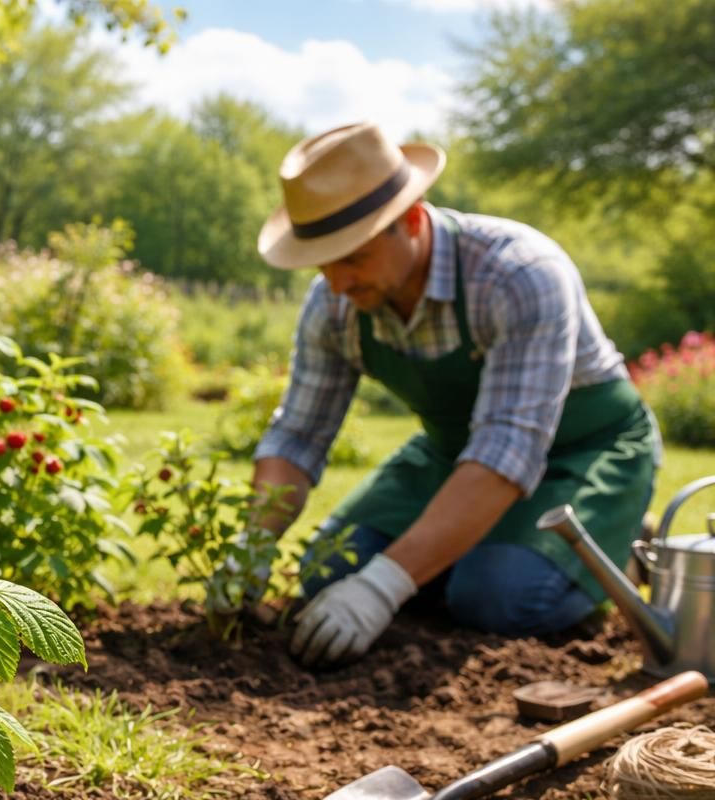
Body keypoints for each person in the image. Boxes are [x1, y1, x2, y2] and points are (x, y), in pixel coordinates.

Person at [246, 122, 658, 668]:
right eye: (322, 262)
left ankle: (617, 551)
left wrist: (383, 586)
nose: (337, 283)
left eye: (352, 257)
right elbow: (298, 435)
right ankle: (468, 556)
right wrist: (251, 549)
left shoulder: (519, 274)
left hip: (580, 451)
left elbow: (506, 449)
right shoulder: (335, 303)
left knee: (498, 595)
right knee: (329, 567)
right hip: (452, 454)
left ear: (412, 221)